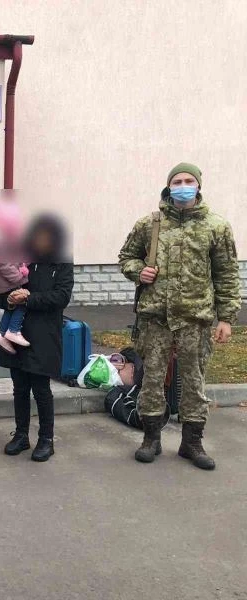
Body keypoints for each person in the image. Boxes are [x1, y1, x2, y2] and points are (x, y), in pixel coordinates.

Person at [119, 163, 240, 470]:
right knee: (151, 380)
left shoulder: (216, 226)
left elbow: (226, 274)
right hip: (155, 318)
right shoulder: (150, 224)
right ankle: (151, 439)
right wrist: (138, 272)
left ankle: (192, 443)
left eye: (188, 181)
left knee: (194, 382)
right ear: (168, 187)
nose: (183, 186)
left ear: (198, 185)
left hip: (195, 319)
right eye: (177, 181)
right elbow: (126, 257)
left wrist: (226, 318)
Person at [0, 215, 74, 462]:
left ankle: (46, 439)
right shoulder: (20, 257)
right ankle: (21, 435)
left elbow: (61, 296)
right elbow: (3, 290)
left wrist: (28, 298)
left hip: (44, 334)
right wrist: (8, 300)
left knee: (41, 389)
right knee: (19, 388)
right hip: (16, 332)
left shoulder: (61, 260)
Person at [0, 192, 31, 353]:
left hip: (5, 284)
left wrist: (25, 264)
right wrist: (19, 276)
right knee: (22, 302)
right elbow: (2, 263)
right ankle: (13, 330)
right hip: (5, 285)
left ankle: (2, 334)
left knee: (11, 307)